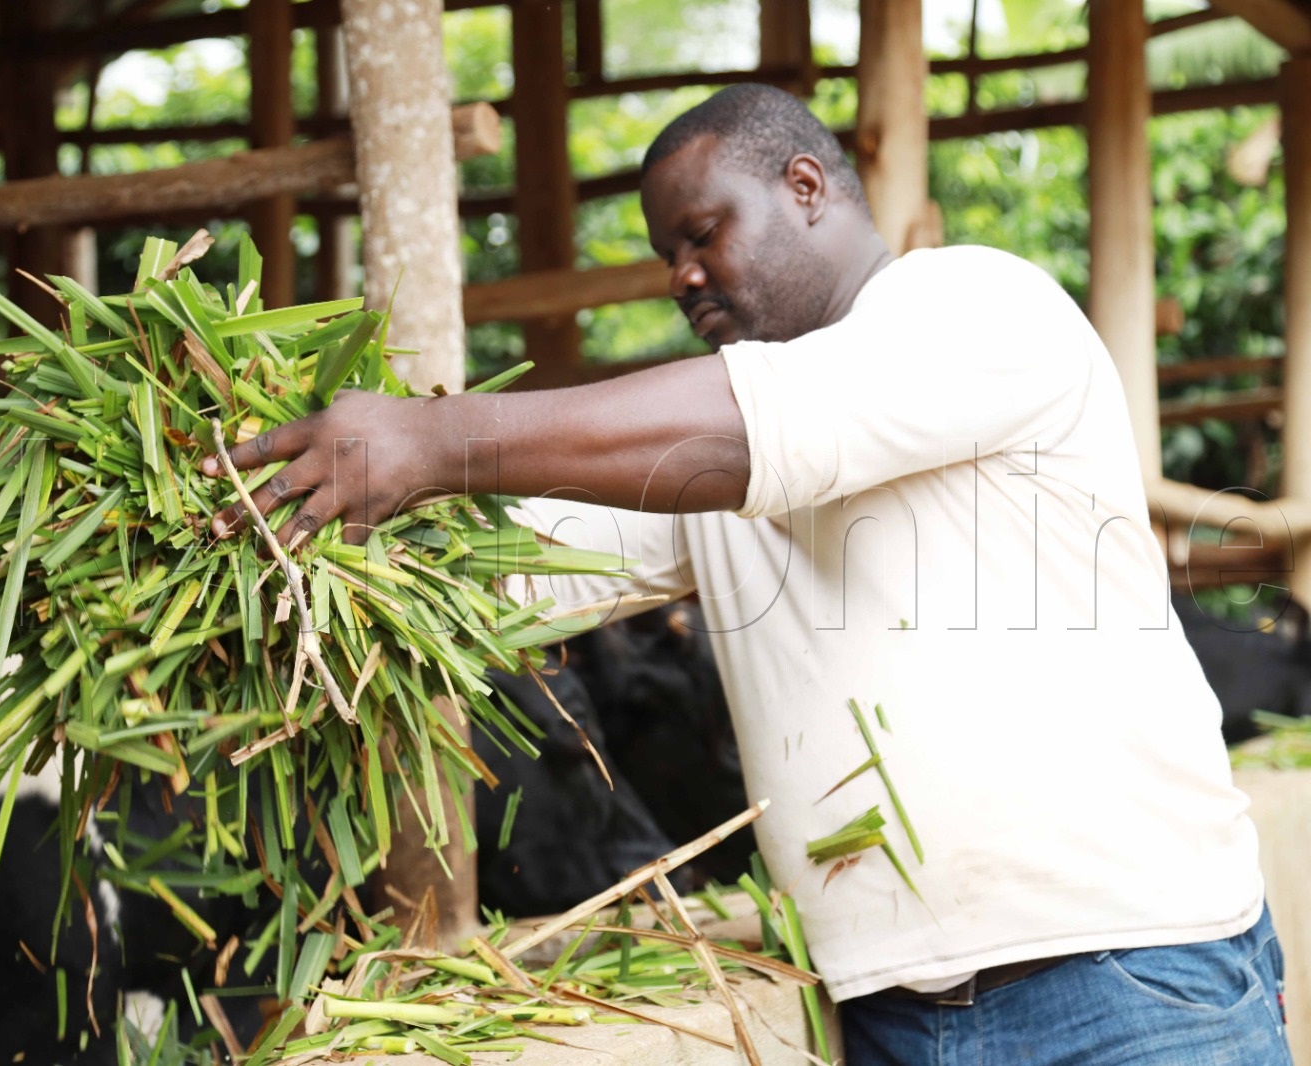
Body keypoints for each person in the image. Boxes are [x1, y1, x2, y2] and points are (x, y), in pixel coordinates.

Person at [201, 84, 1288, 1064]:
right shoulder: (720, 470)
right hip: (893, 1016)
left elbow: (768, 425)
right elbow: (505, 571)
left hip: (1130, 983)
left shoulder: (975, 310)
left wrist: (432, 442)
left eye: (701, 232)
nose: (679, 275)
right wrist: (269, 554)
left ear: (806, 186)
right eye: (667, 252)